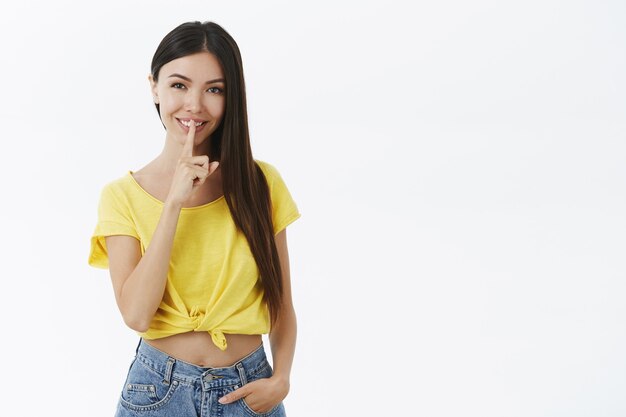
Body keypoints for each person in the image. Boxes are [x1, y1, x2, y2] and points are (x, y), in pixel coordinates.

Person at [88, 20, 300, 417]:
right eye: (179, 85)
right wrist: (174, 203)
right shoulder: (121, 196)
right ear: (154, 87)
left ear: (231, 96)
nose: (195, 105)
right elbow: (136, 315)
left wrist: (282, 378)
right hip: (157, 392)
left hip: (248, 389)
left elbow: (282, 303)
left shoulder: (261, 184)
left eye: (214, 89)